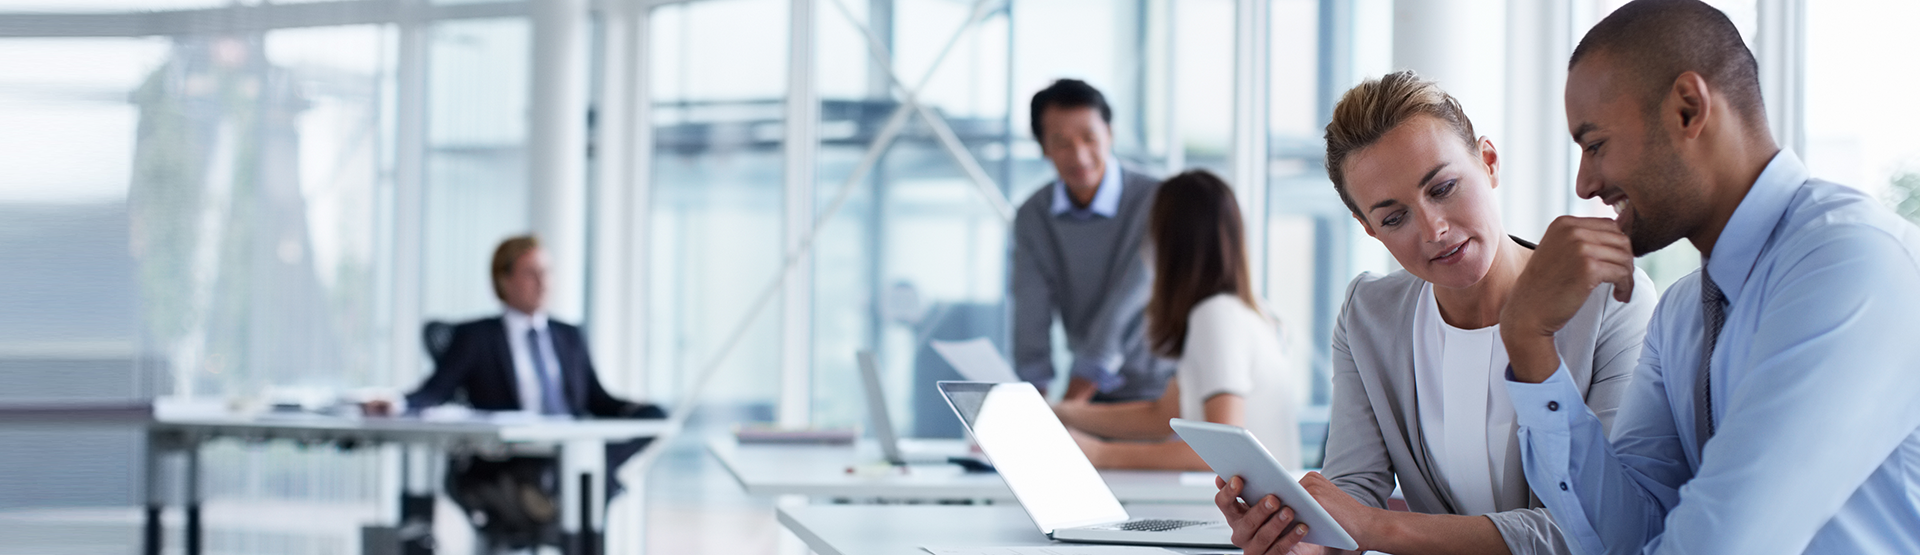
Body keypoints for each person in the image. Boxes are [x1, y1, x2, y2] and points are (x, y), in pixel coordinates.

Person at [1498, 1, 1920, 553]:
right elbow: (1627, 535)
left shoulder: (1851, 261)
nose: (1584, 184)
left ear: (1688, 109)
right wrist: (1528, 340)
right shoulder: (1679, 314)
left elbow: (1723, 544)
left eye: (1595, 144)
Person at [1213, 71, 1656, 555]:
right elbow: (1352, 493)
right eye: (1394, 217)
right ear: (1369, 229)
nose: (1434, 229)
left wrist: (1381, 529)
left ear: (1488, 162)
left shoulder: (1609, 302)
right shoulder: (1369, 317)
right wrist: (1306, 541)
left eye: (1443, 187)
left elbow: (1602, 524)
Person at [366, 237, 664, 521]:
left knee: (653, 418)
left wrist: (634, 409)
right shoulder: (477, 337)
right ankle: (579, 480)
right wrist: (398, 403)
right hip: (512, 457)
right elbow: (436, 390)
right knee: (583, 480)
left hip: (567, 446)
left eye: (546, 272)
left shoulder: (569, 336)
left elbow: (595, 399)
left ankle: (582, 476)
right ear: (505, 281)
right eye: (531, 273)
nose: (543, 282)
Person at [1053, 170, 1306, 471]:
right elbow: (1163, 414)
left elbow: (1223, 452)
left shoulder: (1216, 317)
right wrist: (1060, 413)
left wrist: (1099, 454)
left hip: (1243, 512)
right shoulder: (1247, 312)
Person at [1011, 79, 1176, 404]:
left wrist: (1070, 403)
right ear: (1043, 147)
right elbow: (1030, 310)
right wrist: (1034, 400)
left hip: (1161, 390)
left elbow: (1128, 303)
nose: (1080, 155)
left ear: (1109, 134)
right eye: (1061, 142)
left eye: (1090, 138)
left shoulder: (1158, 201)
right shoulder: (1033, 215)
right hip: (1093, 394)